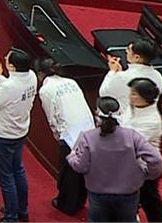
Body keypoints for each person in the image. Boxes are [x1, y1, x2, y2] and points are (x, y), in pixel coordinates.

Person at [67, 97, 162, 223]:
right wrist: (145, 174)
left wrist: (71, 156)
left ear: (97, 114)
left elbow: (81, 166)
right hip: (128, 192)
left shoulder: (87, 137)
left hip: (98, 193)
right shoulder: (132, 135)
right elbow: (156, 159)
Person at [0, 48, 38, 223]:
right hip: (20, 131)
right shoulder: (32, 76)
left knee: (5, 177)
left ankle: (11, 216)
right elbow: (11, 92)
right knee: (18, 170)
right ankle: (22, 210)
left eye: (7, 59)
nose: (4, 59)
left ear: (12, 66)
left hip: (3, 135)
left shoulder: (9, 86)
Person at [36, 58, 92, 215]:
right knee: (82, 171)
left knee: (69, 173)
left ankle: (67, 204)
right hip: (87, 130)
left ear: (40, 74)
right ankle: (80, 201)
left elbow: (51, 117)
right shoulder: (71, 82)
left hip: (69, 135)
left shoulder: (46, 90)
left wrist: (57, 134)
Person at [124, 77, 162, 223]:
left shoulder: (152, 120)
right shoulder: (133, 107)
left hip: (146, 167)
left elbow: (132, 143)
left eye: (134, 94)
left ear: (146, 97)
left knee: (150, 200)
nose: (130, 97)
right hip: (129, 163)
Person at [99, 36, 162, 113]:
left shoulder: (124, 77)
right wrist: (119, 73)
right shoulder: (158, 76)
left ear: (137, 57)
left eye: (129, 50)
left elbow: (103, 92)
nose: (126, 51)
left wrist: (112, 72)